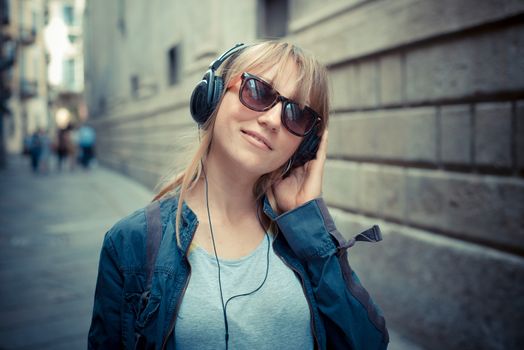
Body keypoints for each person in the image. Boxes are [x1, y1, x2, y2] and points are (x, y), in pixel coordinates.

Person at [88, 41, 389, 350]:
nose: (272, 120)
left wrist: (311, 224)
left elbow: (368, 344)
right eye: (258, 91)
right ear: (213, 95)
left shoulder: (304, 235)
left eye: (296, 114)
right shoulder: (130, 242)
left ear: (306, 147)